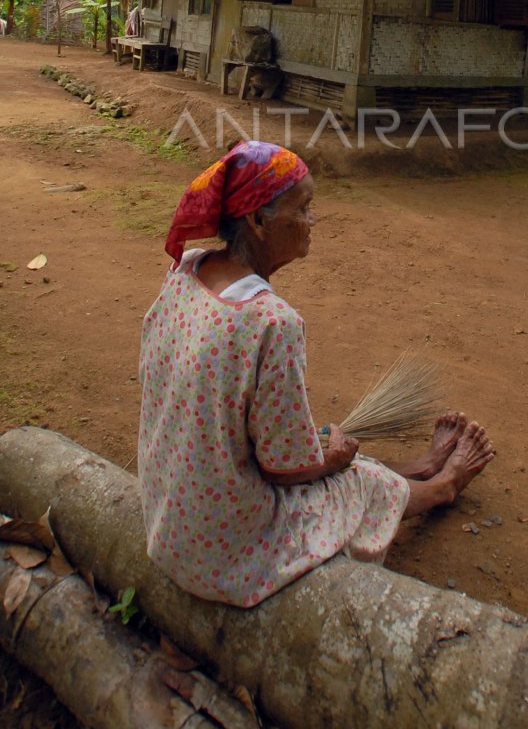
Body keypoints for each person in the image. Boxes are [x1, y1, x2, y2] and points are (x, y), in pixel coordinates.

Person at [138, 140, 493, 607]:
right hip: (224, 556)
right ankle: (441, 486)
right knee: (356, 480)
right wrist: (333, 458)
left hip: (169, 524)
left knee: (332, 453)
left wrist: (324, 449)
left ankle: (419, 469)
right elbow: (286, 472)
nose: (313, 221)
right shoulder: (271, 321)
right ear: (258, 221)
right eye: (303, 208)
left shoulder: (186, 269)